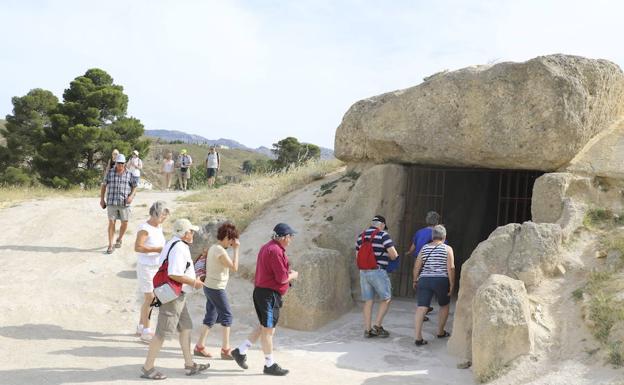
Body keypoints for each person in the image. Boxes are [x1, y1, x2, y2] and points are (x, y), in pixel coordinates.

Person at [141, 219, 208, 380]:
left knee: (186, 327)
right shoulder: (180, 247)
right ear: (185, 234)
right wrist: (194, 282)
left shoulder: (172, 243)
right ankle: (148, 368)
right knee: (162, 332)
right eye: (191, 231)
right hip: (173, 296)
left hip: (176, 294)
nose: (193, 234)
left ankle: (190, 364)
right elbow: (174, 274)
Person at [230, 223, 299, 376]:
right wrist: (293, 275)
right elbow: (281, 279)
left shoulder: (267, 247)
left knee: (263, 327)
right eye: (290, 237)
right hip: (269, 296)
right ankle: (269, 364)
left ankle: (240, 351)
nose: (291, 239)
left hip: (263, 293)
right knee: (268, 331)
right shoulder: (276, 251)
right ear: (284, 237)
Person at [194, 223, 240, 359]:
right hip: (216, 288)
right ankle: (226, 350)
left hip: (209, 286)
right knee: (227, 316)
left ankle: (199, 346)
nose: (232, 243)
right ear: (227, 237)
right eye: (232, 240)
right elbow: (234, 267)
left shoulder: (213, 247)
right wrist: (237, 250)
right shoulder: (219, 250)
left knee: (211, 317)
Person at [355, 215, 399, 338]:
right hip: (378, 271)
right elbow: (394, 255)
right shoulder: (383, 235)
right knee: (386, 298)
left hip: (363, 272)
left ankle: (367, 330)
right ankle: (378, 326)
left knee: (368, 301)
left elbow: (357, 256)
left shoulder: (361, 236)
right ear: (382, 225)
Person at [412, 225, 455, 346]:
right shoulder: (447, 249)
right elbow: (451, 268)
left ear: (432, 236)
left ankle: (418, 337)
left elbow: (417, 266)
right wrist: (452, 284)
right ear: (444, 236)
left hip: (424, 279)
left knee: (422, 307)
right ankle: (440, 332)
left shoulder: (424, 248)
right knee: (444, 305)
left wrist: (415, 280)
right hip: (441, 279)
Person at [134, 201, 170, 343]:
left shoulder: (158, 227)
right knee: (150, 298)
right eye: (162, 216)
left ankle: (141, 326)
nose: (164, 219)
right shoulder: (144, 228)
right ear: (155, 214)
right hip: (146, 267)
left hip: (156, 267)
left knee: (150, 298)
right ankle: (147, 332)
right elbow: (138, 247)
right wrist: (157, 250)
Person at [100, 154, 137, 254]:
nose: (120, 165)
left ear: (125, 164)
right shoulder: (110, 173)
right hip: (111, 202)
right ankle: (110, 245)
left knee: (125, 222)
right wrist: (102, 199)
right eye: (118, 163)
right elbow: (104, 186)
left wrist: (131, 197)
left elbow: (134, 187)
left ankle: (119, 238)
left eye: (121, 163)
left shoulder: (129, 174)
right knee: (111, 222)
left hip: (124, 203)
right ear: (115, 163)